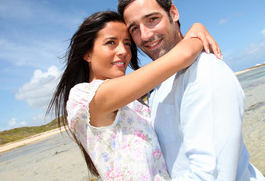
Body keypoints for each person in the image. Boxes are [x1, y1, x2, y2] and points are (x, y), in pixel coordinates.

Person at [117, 0, 265, 180]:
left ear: (174, 13)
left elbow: (212, 174)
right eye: (134, 28)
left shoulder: (204, 72)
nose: (145, 35)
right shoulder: (158, 82)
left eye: (152, 19)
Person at [46, 11, 220, 180]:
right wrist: (197, 32)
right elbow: (184, 55)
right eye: (111, 42)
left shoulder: (133, 102)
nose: (123, 51)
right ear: (87, 53)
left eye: (127, 43)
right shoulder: (84, 96)